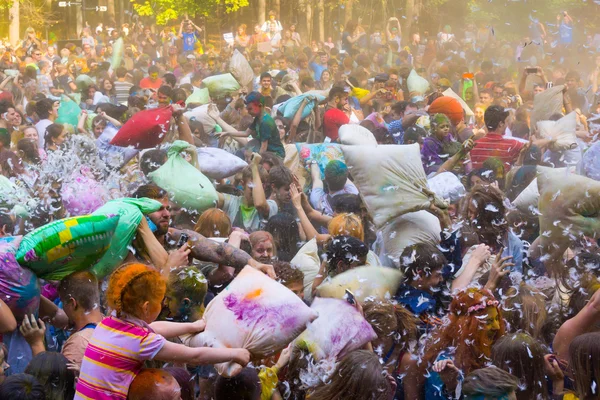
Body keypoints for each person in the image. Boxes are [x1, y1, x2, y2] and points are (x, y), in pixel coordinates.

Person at [73, 263, 250, 399]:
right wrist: (234, 354)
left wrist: (192, 326)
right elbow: (194, 356)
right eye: (161, 300)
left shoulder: (108, 323)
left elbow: (153, 329)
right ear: (146, 307)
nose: (164, 304)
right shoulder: (140, 341)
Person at [215, 92, 285, 158]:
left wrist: (256, 162)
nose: (248, 112)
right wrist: (227, 133)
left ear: (260, 106)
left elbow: (263, 147)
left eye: (250, 109)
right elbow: (246, 133)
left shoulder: (265, 122)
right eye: (247, 109)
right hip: (263, 148)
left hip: (275, 154)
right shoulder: (258, 118)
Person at [57, 271, 104, 369]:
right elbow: (54, 313)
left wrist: (36, 343)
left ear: (72, 303)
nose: (63, 309)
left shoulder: (78, 344)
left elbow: (60, 382)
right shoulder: (110, 323)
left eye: (62, 303)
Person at [470, 105, 525, 171]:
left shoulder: (474, 146)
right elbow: (530, 147)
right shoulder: (512, 145)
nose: (507, 125)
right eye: (506, 121)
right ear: (501, 124)